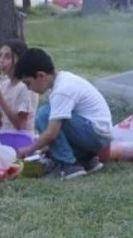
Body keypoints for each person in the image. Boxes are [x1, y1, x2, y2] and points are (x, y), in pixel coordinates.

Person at [13, 48, 112, 179]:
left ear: (41, 76)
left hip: (95, 135)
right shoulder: (64, 79)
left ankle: (69, 166)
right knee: (51, 115)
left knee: (44, 115)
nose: (29, 88)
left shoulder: (61, 90)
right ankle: (87, 161)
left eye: (28, 83)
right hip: (98, 134)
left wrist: (28, 150)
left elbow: (51, 134)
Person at [0, 39, 39, 135]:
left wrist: (0, 98)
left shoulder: (26, 87)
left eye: (7, 56)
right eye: (0, 56)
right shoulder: (4, 84)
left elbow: (21, 126)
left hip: (22, 141)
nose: (1, 60)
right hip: (5, 136)